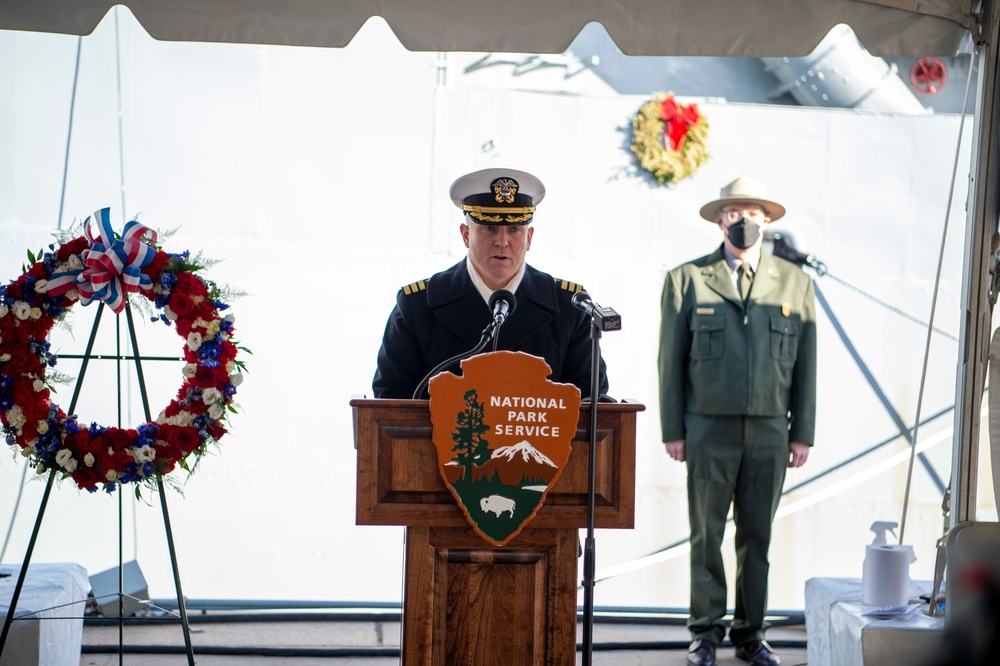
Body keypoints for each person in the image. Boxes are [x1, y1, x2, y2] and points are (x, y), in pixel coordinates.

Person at [658, 176, 817, 666]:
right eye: (733, 213)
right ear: (719, 219)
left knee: (757, 535)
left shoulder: (794, 283)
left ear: (766, 220)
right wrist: (674, 429)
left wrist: (801, 432)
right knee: (706, 533)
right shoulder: (687, 279)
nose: (743, 221)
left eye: (752, 212)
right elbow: (670, 359)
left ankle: (752, 633)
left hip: (770, 428)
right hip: (708, 427)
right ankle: (704, 631)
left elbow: (807, 362)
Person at [373, 167, 608, 400]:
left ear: (529, 238)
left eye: (514, 229)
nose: (502, 242)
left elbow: (592, 405)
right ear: (466, 235)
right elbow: (391, 402)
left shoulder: (570, 308)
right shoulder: (417, 307)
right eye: (489, 228)